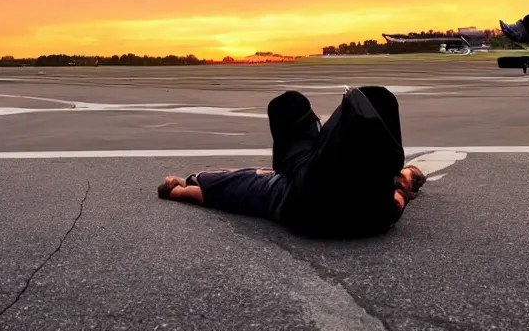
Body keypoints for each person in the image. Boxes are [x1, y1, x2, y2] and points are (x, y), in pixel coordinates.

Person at [157, 87, 427, 237]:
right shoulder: (381, 205)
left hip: (309, 200)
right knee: (377, 102)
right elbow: (397, 198)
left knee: (291, 106)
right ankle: (348, 139)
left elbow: (236, 188)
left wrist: (186, 185)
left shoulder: (287, 189)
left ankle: (317, 133)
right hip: (352, 203)